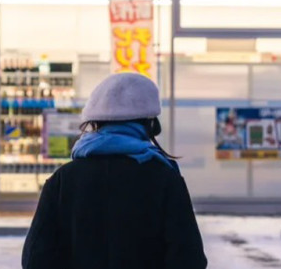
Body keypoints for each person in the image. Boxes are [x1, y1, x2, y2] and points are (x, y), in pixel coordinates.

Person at [22, 72, 207, 269]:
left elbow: (35, 258)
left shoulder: (63, 179)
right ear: (149, 124)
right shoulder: (165, 178)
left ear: (96, 122)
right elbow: (189, 258)